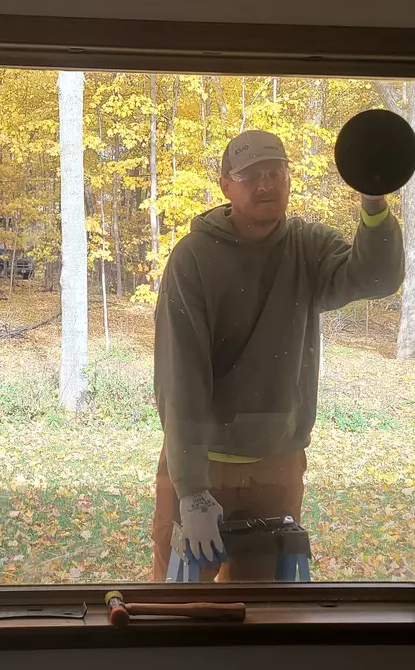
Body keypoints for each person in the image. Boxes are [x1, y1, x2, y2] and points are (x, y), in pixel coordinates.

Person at [151, 129, 405, 582]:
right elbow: (180, 378)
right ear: (226, 185)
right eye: (251, 175)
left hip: (277, 467)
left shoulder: (307, 247)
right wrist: (191, 491)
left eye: (276, 171)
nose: (266, 183)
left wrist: (373, 200)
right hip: (203, 466)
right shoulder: (192, 258)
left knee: (264, 616)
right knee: (178, 612)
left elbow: (375, 279)